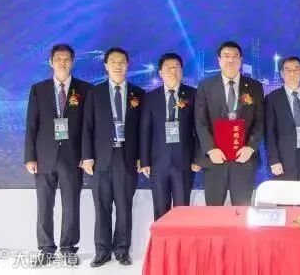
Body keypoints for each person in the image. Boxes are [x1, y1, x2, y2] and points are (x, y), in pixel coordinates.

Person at [24, 44, 91, 267]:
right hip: (44, 156)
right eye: (58, 59)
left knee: (71, 204)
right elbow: (31, 125)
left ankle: (68, 248)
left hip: (73, 157)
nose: (62, 62)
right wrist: (30, 157)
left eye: (66, 59)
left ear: (72, 62)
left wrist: (86, 155)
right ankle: (46, 249)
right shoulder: (38, 89)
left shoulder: (85, 89)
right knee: (44, 204)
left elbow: (87, 127)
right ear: (51, 62)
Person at [81, 47, 144, 267]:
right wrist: (87, 156)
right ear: (106, 65)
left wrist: (142, 157)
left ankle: (122, 250)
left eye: (122, 62)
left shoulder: (138, 93)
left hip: (127, 157)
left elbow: (143, 129)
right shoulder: (95, 93)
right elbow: (87, 127)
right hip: (100, 159)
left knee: (124, 206)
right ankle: (102, 251)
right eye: (114, 62)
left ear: (128, 65)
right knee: (102, 206)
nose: (118, 65)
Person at [194, 41, 264, 206]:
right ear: (219, 60)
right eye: (226, 56)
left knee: (241, 210)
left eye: (235, 56)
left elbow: (260, 121)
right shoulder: (206, 85)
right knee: (214, 209)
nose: (230, 60)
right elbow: (200, 121)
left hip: (243, 159)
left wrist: (250, 147)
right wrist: (211, 149)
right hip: (215, 159)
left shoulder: (254, 86)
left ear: (241, 60)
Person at [139, 53, 200, 220]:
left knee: (183, 211)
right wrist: (144, 161)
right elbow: (145, 130)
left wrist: (198, 158)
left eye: (176, 67)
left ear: (182, 70)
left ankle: (182, 238)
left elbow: (199, 129)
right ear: (160, 72)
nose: (172, 71)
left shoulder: (193, 95)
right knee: (160, 210)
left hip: (184, 161)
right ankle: (161, 238)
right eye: (168, 68)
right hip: (158, 163)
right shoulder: (150, 97)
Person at [264, 56, 300, 182]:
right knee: (286, 192)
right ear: (282, 74)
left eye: (296, 69)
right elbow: (269, 133)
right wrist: (274, 160)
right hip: (284, 156)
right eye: (288, 70)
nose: (292, 73)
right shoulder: (272, 98)